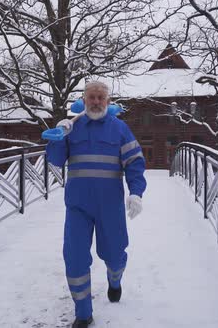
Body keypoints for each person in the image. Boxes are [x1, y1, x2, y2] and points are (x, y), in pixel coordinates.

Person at [46, 81, 147, 328]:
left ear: (108, 101)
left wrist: (136, 193)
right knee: (75, 258)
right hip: (78, 206)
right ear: (84, 99)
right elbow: (55, 161)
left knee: (114, 254)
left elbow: (134, 162)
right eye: (92, 97)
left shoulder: (120, 128)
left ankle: (115, 281)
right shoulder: (73, 128)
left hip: (110, 207)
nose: (96, 101)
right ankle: (83, 313)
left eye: (101, 97)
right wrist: (59, 137)